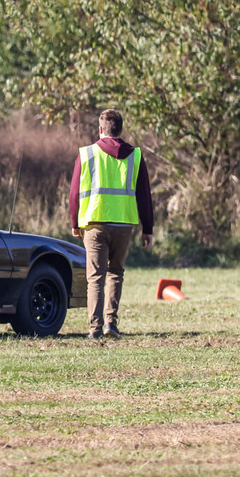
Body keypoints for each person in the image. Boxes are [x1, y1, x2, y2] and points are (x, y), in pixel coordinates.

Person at [70, 109, 154, 340]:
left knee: (95, 276)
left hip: (94, 222)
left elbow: (74, 192)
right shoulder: (135, 155)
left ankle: (95, 329)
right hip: (123, 224)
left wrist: (75, 221)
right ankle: (111, 324)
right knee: (115, 273)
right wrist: (148, 228)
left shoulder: (86, 154)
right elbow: (144, 196)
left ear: (101, 130)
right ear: (121, 129)